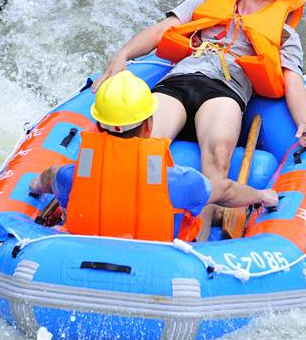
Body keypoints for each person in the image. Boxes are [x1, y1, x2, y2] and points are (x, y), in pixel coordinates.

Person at [90, 0, 306, 240]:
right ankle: (118, 224)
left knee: (219, 154)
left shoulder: (286, 34)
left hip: (225, 91)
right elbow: (161, 31)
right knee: (137, 146)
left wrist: (304, 121)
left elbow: (293, 81)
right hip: (178, 82)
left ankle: (198, 239)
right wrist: (122, 56)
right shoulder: (205, 2)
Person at [30, 71, 278, 242]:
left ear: (98, 123)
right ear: (149, 125)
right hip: (155, 264)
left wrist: (37, 186)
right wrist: (262, 196)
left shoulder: (70, 176)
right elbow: (225, 191)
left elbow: (49, 176)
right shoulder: (176, 181)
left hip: (78, 259)